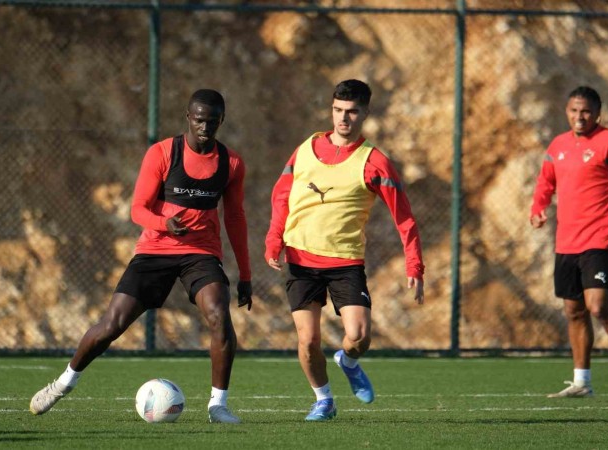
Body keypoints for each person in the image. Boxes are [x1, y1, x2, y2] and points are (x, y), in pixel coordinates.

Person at [30, 89, 253, 423]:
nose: (204, 127)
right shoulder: (162, 152)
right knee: (112, 325)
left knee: (220, 315)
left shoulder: (231, 163)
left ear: (222, 120)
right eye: (198, 120)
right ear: (188, 117)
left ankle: (217, 405)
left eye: (212, 121)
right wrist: (164, 223)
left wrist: (246, 275)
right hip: (156, 248)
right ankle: (64, 383)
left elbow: (235, 218)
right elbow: (138, 209)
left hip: (201, 252)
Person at [265, 79, 425, 421]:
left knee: (359, 336)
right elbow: (282, 196)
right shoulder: (306, 148)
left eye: (352, 112)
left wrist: (414, 265)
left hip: (345, 262)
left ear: (365, 113)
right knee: (308, 341)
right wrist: (274, 240)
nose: (343, 118)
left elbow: (404, 218)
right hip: (300, 258)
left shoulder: (375, 161)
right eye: (338, 110)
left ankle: (348, 362)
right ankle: (323, 400)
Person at [530, 86, 608, 400]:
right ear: (566, 111)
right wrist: (538, 207)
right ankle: (582, 381)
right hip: (566, 241)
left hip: (600, 238)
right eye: (574, 110)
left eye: (585, 111)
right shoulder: (558, 145)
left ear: (597, 113)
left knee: (599, 307)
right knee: (574, 311)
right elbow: (546, 181)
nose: (579, 117)